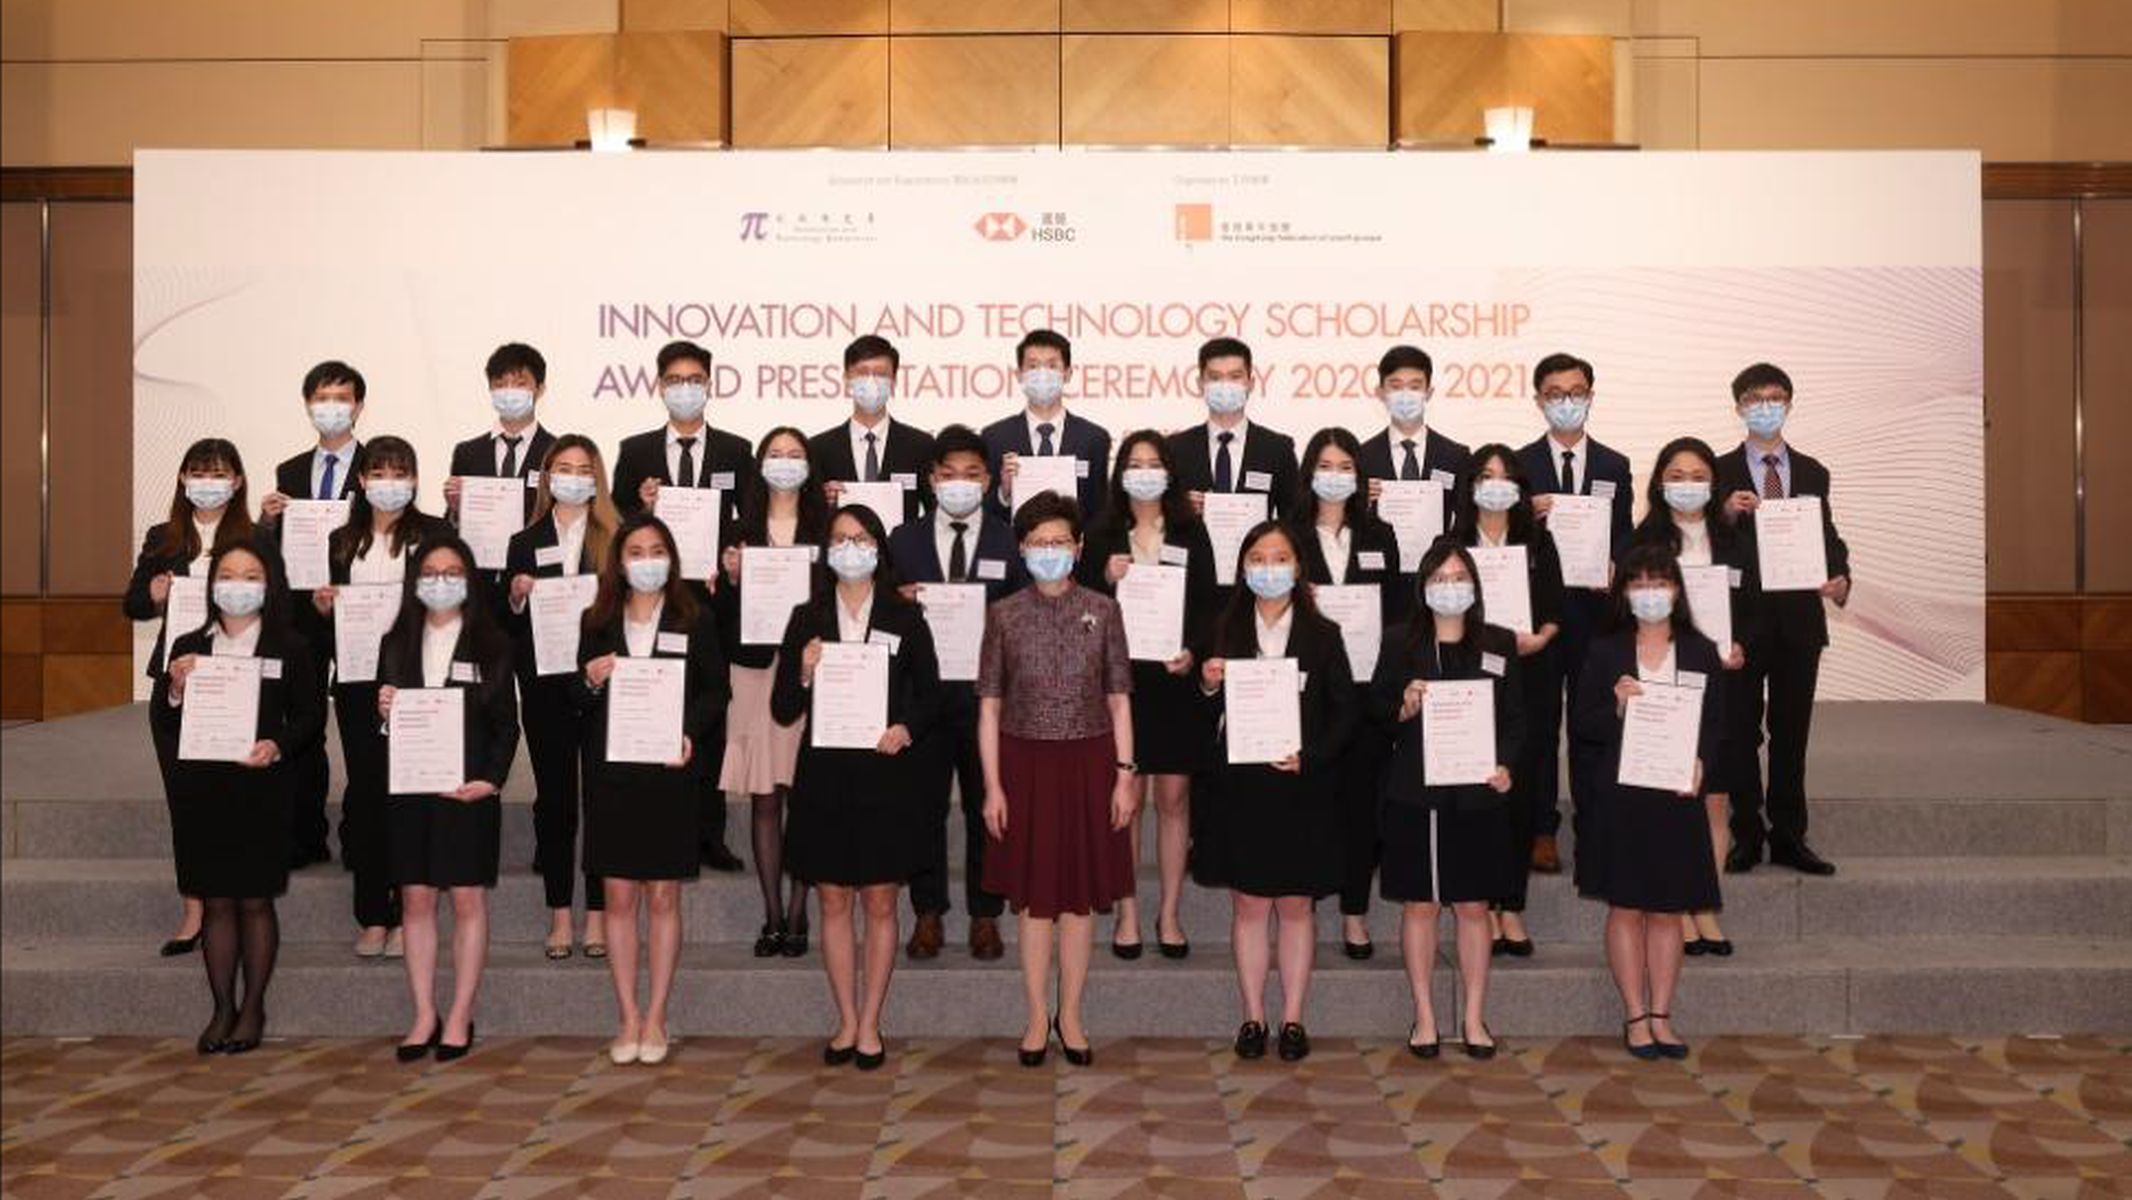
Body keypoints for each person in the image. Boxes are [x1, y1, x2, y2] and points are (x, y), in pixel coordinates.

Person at [772, 504, 942, 1070]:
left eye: (862, 538)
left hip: (886, 775)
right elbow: (782, 708)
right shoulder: (806, 617)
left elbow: (931, 694)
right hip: (824, 778)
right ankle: (845, 1018)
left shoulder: (905, 614)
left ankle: (872, 1021)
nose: (852, 547)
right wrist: (802, 670)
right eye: (841, 538)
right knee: (833, 899)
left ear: (879, 550)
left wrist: (906, 728)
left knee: (880, 900)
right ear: (826, 549)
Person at [978, 493, 1137, 1068]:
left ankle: (1070, 1014)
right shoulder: (1003, 614)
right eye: (1039, 543)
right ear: (1022, 549)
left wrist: (1125, 775)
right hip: (1024, 766)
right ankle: (1033, 1015)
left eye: (1060, 542)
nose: (1051, 551)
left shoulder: (1105, 609)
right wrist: (993, 787)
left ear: (1079, 547)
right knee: (1035, 902)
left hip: (1091, 763)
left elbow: (1119, 699)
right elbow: (989, 708)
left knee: (1079, 900)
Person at [1193, 521, 1358, 1063]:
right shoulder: (1223, 627)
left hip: (1301, 787)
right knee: (1248, 905)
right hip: (1240, 790)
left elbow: (1345, 713)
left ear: (1298, 566)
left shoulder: (1324, 633)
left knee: (1295, 906)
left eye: (1280, 557)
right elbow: (1199, 711)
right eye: (1258, 558)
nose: (1269, 568)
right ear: (1243, 568)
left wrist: (1311, 758)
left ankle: (1292, 1018)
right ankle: (1252, 1017)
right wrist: (1209, 685)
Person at [153, 538, 321, 1054]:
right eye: (228, 575)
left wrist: (278, 745)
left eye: (252, 576)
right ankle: (222, 1006)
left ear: (269, 585)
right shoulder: (188, 642)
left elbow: (311, 718)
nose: (238, 586)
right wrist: (176, 689)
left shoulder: (290, 646)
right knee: (218, 901)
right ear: (212, 584)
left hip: (263, 789)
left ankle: (253, 1007)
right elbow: (163, 719)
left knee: (254, 901)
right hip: (205, 790)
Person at [577, 513, 730, 1066]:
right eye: (635, 551)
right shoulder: (595, 620)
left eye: (656, 550)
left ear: (672, 558)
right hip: (613, 775)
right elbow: (576, 699)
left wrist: (688, 733)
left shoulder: (696, 619)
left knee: (664, 896)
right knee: (618, 897)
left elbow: (716, 693)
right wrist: (590, 681)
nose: (646, 561)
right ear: (619, 562)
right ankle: (626, 1016)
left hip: (669, 772)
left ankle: (658, 1014)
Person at [1572, 543, 1726, 1061]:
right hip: (1620, 795)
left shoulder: (1702, 651)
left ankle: (1663, 1014)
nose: (1649, 594)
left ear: (1677, 591)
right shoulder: (1605, 650)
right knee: (1625, 906)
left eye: (1659, 584)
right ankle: (1635, 1015)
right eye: (1638, 585)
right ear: (1625, 593)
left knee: (1666, 911)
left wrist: (1702, 762)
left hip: (1677, 796)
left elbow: (1716, 725)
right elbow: (1582, 725)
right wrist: (1615, 707)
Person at [1372, 541, 1523, 1059]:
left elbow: (1517, 720)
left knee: (1474, 906)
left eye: (1460, 576)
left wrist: (1507, 764)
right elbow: (1376, 712)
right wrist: (1404, 706)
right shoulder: (1399, 642)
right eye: (1440, 577)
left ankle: (1475, 1017)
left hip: (1478, 795)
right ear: (1423, 587)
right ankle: (1425, 1017)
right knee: (1421, 905)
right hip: (1415, 792)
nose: (1450, 586)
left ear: (1476, 585)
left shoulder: (1499, 642)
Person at [610, 338, 753, 874]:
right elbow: (620, 523)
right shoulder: (636, 449)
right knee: (651, 707)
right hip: (653, 600)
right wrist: (642, 507)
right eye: (675, 381)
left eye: (695, 379)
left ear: (709, 384)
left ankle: (709, 832)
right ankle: (658, 822)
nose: (685, 389)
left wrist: (733, 553)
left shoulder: (736, 450)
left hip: (711, 602)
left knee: (707, 715)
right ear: (660, 386)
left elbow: (748, 517)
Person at [377, 535, 518, 1063]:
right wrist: (385, 711)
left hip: (468, 792)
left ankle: (459, 1012)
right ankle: (422, 1013)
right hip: (411, 792)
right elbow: (384, 728)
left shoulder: (493, 645)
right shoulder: (394, 645)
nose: (441, 581)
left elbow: (507, 727)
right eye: (430, 572)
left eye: (452, 571)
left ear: (469, 580)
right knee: (414, 900)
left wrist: (492, 779)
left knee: (466, 901)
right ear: (415, 582)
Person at [886, 424, 1025, 961]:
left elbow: (1025, 608)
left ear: (988, 481)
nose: (960, 484)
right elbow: (880, 615)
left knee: (984, 808)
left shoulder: (1008, 538)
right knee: (923, 808)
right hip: (922, 699)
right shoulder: (904, 540)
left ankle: (986, 914)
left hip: (987, 699)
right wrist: (897, 600)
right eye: (949, 476)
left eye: (971, 475)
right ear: (931, 480)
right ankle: (927, 911)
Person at [1075, 430, 1214, 960]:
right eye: (1135, 463)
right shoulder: (1101, 531)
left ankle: (1170, 912)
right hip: (1121, 687)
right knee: (1127, 802)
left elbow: (1208, 606)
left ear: (1170, 472)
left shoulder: (1189, 530)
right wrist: (1102, 578)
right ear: (1120, 472)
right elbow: (1080, 612)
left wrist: (1194, 651)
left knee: (1175, 800)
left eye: (1154, 463)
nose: (1145, 471)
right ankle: (1129, 912)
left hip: (1175, 682)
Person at [313, 436, 447, 958]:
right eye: (379, 473)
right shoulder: (341, 541)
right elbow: (322, 627)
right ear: (362, 480)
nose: (389, 484)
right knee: (368, 794)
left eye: (400, 473)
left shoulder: (435, 534)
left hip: (415, 681)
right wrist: (326, 610)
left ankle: (409, 911)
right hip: (356, 683)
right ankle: (373, 912)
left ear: (413, 480)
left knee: (410, 795)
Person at [1716, 362, 1850, 878]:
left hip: (1798, 623)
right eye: (1755, 397)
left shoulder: (1813, 471)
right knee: (1740, 732)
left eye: (1776, 397)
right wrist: (1725, 512)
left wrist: (1841, 579)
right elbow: (1700, 539)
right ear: (1739, 407)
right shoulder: (1720, 470)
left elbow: (1828, 539)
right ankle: (1746, 833)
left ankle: (1791, 835)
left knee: (1792, 732)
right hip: (1742, 623)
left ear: (1790, 403)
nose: (1766, 406)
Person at [126, 437, 256, 956]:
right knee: (186, 800)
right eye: (198, 472)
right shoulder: (164, 536)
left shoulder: (256, 535)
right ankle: (195, 908)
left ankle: (234, 905)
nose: (208, 482)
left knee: (233, 800)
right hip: (176, 684)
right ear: (182, 479)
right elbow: (132, 603)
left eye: (219, 472)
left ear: (238, 482)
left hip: (235, 683)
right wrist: (152, 595)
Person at [1635, 437, 1756, 955]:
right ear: (1661, 484)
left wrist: (1741, 644)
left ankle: (1705, 905)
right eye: (1676, 476)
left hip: (1724, 682)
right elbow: (1630, 610)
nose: (1688, 485)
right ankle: (1675, 908)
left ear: (1714, 482)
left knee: (1716, 798)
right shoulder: (1644, 542)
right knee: (1671, 798)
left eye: (1697, 475)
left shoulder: (1734, 539)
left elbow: (1754, 605)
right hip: (1666, 682)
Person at [1515, 352, 1634, 876]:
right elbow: (1502, 542)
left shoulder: (1615, 464)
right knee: (1539, 727)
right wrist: (1527, 514)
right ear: (1539, 400)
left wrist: (1619, 566)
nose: (1568, 402)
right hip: (1539, 617)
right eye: (1556, 393)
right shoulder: (1518, 465)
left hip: (1595, 616)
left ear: (1591, 395)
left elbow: (1626, 536)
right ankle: (1541, 829)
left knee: (1592, 724)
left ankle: (1596, 823)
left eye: (1577, 391)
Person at [713, 427, 829, 958]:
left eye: (795, 455)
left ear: (810, 466)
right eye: (775, 454)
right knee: (765, 795)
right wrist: (732, 580)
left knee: (805, 793)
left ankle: (802, 909)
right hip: (756, 671)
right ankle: (773, 913)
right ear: (759, 465)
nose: (785, 463)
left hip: (812, 666)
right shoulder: (738, 528)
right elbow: (718, 617)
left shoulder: (828, 527)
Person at [503, 436, 620, 959]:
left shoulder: (615, 538)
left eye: (582, 468)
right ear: (547, 477)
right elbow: (506, 620)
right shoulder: (523, 540)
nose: (572, 476)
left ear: (596, 478)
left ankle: (596, 914)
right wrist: (516, 594)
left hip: (601, 683)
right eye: (563, 468)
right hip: (544, 685)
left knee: (599, 797)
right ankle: (559, 915)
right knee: (554, 800)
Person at [1291, 428, 1405, 960]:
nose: (1334, 476)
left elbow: (1400, 614)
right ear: (1309, 471)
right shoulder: (1287, 537)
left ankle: (1355, 914)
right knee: (1314, 805)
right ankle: (1306, 908)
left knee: (1363, 808)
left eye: (1345, 467)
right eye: (1325, 465)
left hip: (1369, 693)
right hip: (1309, 696)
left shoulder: (1381, 536)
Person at [1448, 444, 1565, 956]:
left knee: (1519, 788)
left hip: (1529, 674)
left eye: (1505, 476)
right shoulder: (1449, 542)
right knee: (1477, 794)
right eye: (1485, 475)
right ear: (1470, 485)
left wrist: (1540, 637)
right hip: (1469, 682)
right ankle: (1482, 904)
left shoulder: (1538, 541)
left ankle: (1511, 905)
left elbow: (1556, 607)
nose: (1495, 484)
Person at [258, 359, 367, 870]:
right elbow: (273, 552)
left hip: (358, 613)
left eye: (341, 398)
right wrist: (267, 521)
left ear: (359, 406)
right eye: (322, 399)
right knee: (305, 726)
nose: (331, 408)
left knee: (363, 725)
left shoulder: (378, 468)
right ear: (308, 406)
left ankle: (359, 831)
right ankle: (307, 835)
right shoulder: (290, 471)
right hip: (301, 617)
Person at [1166, 337, 1298, 525]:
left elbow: (1293, 519)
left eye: (1235, 376)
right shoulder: (1175, 448)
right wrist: (1180, 507)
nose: (1225, 385)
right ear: (1200, 384)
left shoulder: (1277, 449)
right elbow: (1158, 515)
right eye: (1215, 377)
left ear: (1250, 383)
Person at [983, 328, 1112, 521]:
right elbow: (983, 513)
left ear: (1067, 373)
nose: (1042, 374)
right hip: (1012, 548)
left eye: (1052, 366)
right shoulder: (994, 437)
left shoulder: (1094, 438)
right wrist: (1004, 493)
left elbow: (1100, 510)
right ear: (1019, 374)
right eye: (1033, 366)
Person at [808, 334, 936, 527]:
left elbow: (934, 513)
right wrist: (821, 501)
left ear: (893, 381)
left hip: (901, 555)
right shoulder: (819, 448)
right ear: (847, 378)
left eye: (880, 374)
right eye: (862, 372)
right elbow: (807, 516)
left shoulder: (921, 445)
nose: (871, 381)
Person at [1356, 344, 1470, 542]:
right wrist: (1359, 504)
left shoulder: (1455, 456)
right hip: (1379, 569)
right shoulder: (1362, 457)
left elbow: (1466, 521)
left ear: (1429, 392)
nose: (1405, 395)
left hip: (1437, 568)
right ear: (1381, 392)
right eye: (1396, 386)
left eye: (1415, 386)